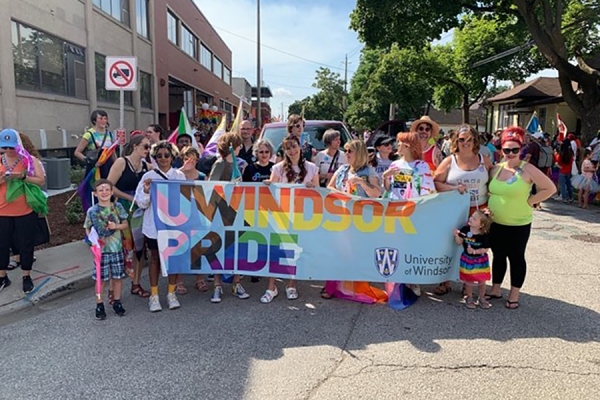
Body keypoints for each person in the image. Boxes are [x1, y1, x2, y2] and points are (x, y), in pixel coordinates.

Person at [486, 127, 556, 309]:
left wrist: (532, 201)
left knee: (516, 257)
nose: (510, 153)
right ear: (501, 150)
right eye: (506, 150)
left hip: (518, 224)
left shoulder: (528, 169)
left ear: (521, 150)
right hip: (496, 223)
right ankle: (495, 289)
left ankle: (514, 295)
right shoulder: (495, 169)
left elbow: (549, 188)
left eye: (514, 150)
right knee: (498, 256)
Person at [322, 140, 387, 303]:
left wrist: (361, 183)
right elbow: (329, 188)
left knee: (355, 253)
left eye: (350, 151)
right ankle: (331, 287)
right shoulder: (342, 170)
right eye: (346, 151)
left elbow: (376, 193)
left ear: (359, 153)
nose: (347, 154)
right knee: (338, 252)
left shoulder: (368, 171)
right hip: (341, 217)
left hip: (360, 220)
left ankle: (355, 286)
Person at [261, 134, 320, 303]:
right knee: (276, 249)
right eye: (288, 148)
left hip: (303, 216)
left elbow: (319, 193)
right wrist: (268, 185)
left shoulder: (312, 168)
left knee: (296, 250)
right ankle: (271, 287)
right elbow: (272, 190)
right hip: (281, 214)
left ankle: (291, 284)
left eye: (294, 146)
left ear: (300, 147)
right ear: (284, 151)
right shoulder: (277, 168)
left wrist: (312, 188)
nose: (292, 151)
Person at [381, 131, 435, 297]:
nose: (396, 146)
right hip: (396, 212)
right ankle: (397, 280)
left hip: (414, 213)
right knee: (397, 246)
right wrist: (385, 178)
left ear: (408, 146)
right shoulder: (394, 165)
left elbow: (428, 190)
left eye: (399, 143)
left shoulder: (422, 166)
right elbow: (389, 190)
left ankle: (413, 280)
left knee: (413, 246)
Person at [135, 141, 186, 312]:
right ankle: (154, 295)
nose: (163, 159)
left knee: (173, 259)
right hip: (154, 226)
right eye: (159, 156)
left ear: (172, 157)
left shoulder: (179, 176)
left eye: (166, 155)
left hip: (174, 226)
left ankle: (171, 293)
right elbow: (140, 203)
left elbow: (186, 200)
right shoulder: (148, 176)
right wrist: (148, 191)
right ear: (154, 158)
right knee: (155, 258)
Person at [107, 134, 152, 302]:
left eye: (149, 147)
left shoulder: (147, 166)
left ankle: (136, 283)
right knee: (120, 248)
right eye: (145, 146)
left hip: (140, 211)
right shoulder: (121, 162)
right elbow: (109, 185)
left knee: (139, 248)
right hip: (122, 210)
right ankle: (112, 290)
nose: (148, 150)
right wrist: (128, 197)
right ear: (135, 146)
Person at [0, 129, 46, 293]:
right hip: (3, 211)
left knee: (26, 244)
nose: (9, 150)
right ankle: (2, 276)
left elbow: (40, 180)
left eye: (11, 146)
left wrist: (22, 177)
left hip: (25, 210)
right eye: (5, 147)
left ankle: (26, 275)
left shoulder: (28, 159)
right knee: (2, 245)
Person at [207, 132, 251, 303]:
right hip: (220, 211)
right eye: (238, 145)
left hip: (235, 210)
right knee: (219, 247)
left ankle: (236, 283)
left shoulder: (238, 164)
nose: (240, 148)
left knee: (236, 248)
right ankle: (217, 285)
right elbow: (210, 186)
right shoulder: (220, 164)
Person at [84, 179, 128, 320]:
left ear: (112, 192)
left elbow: (125, 224)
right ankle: (99, 304)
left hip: (116, 248)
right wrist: (93, 241)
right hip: (100, 251)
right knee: (100, 279)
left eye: (107, 189)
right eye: (100, 190)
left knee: (117, 277)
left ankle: (117, 301)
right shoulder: (92, 211)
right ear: (95, 193)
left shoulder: (117, 207)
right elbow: (87, 227)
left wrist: (117, 226)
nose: (104, 192)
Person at [175, 146, 207, 294]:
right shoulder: (177, 174)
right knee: (181, 248)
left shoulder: (201, 176)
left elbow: (207, 196)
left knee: (198, 248)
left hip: (197, 215)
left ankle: (199, 279)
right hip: (180, 217)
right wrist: (183, 169)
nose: (191, 161)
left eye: (194, 159)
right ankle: (179, 281)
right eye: (187, 158)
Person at [454, 210, 492, 310]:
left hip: (480, 260)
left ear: (481, 225)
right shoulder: (465, 230)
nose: (470, 218)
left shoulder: (484, 234)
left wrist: (475, 251)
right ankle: (469, 297)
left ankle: (482, 297)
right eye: (471, 216)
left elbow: (486, 249)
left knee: (482, 280)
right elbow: (459, 242)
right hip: (467, 259)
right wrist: (456, 236)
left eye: (474, 218)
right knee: (468, 280)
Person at [74, 110, 116, 178]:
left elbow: (113, 153)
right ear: (94, 121)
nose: (103, 121)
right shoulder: (89, 134)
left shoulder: (110, 135)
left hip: (108, 167)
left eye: (105, 118)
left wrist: (117, 165)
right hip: (95, 167)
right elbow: (77, 152)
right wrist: (88, 160)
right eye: (100, 118)